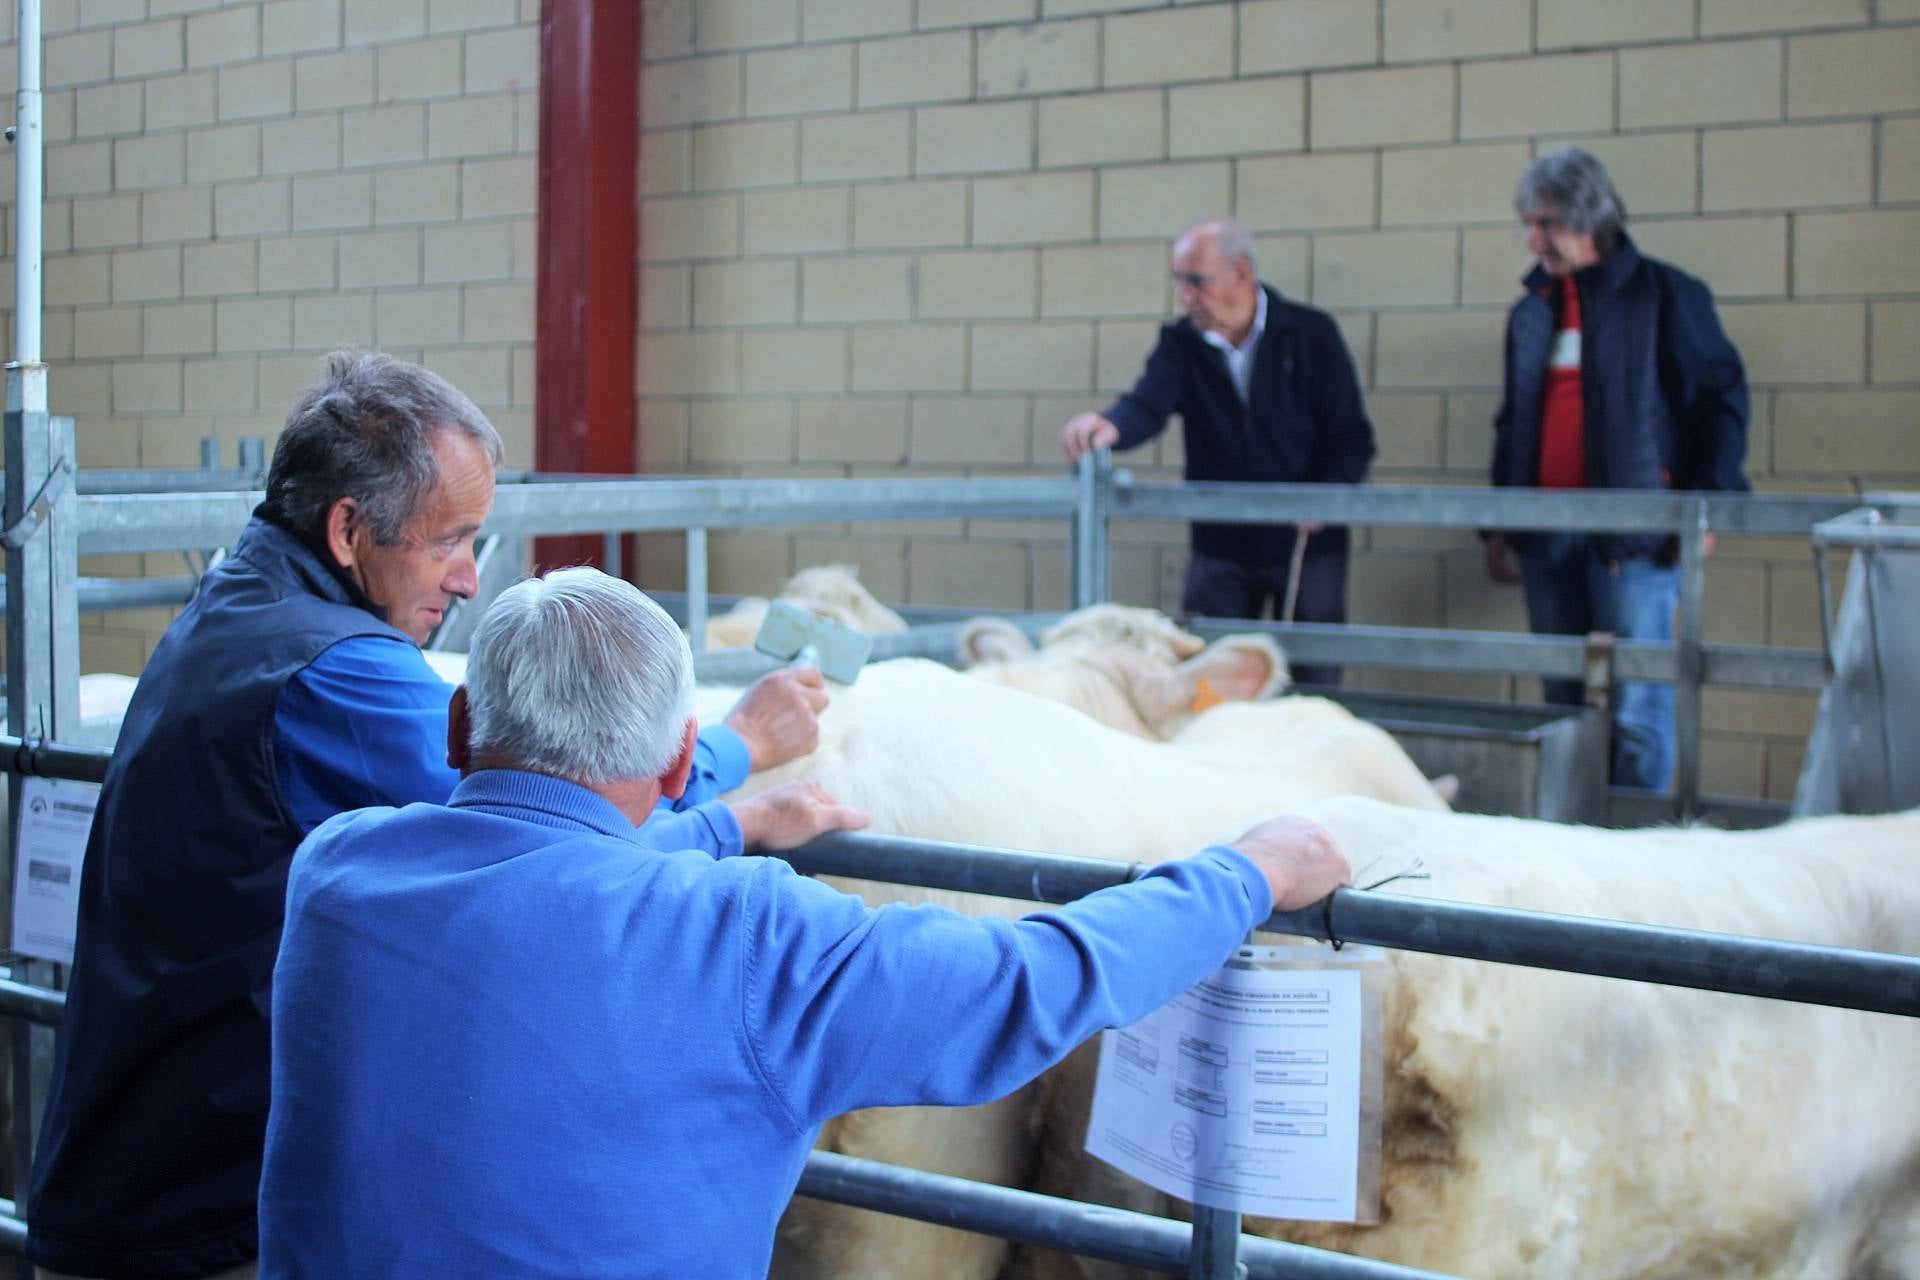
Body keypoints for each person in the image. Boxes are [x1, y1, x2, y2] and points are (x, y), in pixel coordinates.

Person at [257, 566, 1351, 1277]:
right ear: (681, 757)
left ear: (458, 723)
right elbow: (1030, 978)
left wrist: (722, 827)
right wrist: (1246, 870)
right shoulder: (747, 940)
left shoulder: (338, 870)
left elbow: (534, 879)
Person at [27, 352, 837, 1280]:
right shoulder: (338, 674)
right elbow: (558, 813)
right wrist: (738, 752)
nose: (465, 579)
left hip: (143, 1155)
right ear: (347, 528)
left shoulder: (236, 605)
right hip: (201, 1213)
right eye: (450, 539)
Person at [1484, 147, 1749, 791]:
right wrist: (1497, 525)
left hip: (1639, 541)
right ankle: (1573, 851)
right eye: (1528, 222)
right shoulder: (1533, 311)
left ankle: (1637, 853)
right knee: (1562, 703)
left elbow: (1722, 401)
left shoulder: (1665, 297)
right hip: (1547, 537)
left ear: (1587, 218)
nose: (1533, 239)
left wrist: (1706, 505)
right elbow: (1513, 422)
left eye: (1545, 223)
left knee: (1639, 707)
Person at [1059, 217, 1375, 687]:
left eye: (1197, 282)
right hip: (1221, 547)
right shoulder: (1181, 343)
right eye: (1179, 282)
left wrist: (1325, 499)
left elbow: (1353, 437)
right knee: (1212, 677)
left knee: (1313, 678)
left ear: (1241, 274)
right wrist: (1110, 426)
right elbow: (1147, 403)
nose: (1185, 297)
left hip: (1307, 545)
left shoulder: (1311, 335)